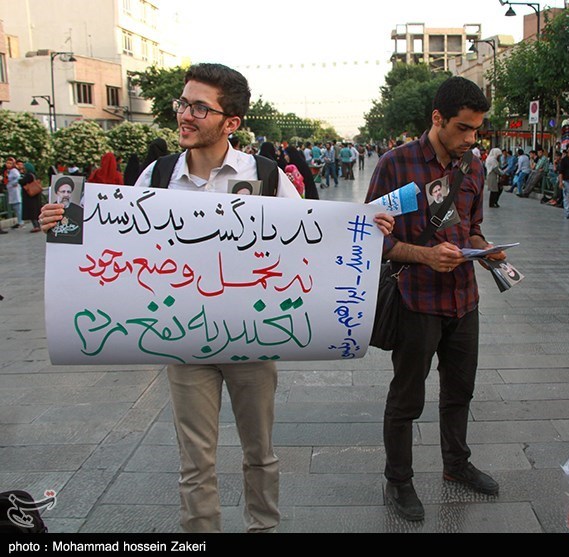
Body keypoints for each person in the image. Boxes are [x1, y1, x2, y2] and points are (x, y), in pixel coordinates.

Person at [39, 62, 392, 534]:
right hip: (181, 341)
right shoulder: (158, 175)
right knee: (195, 460)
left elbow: (312, 234)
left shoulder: (265, 175)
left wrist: (363, 228)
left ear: (231, 123)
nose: (185, 115)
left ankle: (263, 527)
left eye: (199, 107)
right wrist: (63, 223)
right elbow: (112, 236)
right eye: (183, 103)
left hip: (254, 338)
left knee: (260, 453)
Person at [364, 76, 504, 523]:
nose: (471, 139)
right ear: (437, 119)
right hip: (415, 298)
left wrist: (485, 251)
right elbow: (368, 237)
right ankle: (399, 481)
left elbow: (472, 225)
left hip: (464, 300)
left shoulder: (475, 168)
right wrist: (425, 255)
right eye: (463, 128)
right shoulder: (396, 164)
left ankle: (456, 465)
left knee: (460, 389)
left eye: (478, 130)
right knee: (407, 397)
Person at [18, 161, 42, 232]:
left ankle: (36, 226)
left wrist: (20, 179)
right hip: (35, 196)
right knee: (35, 211)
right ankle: (37, 225)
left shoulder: (28, 175)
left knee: (32, 212)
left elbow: (22, 182)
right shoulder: (33, 175)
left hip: (30, 197)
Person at [4, 156, 22, 230]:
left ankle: (20, 222)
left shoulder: (14, 170)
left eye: (10, 163)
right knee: (15, 207)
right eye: (7, 163)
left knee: (18, 207)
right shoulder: (7, 171)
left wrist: (13, 183)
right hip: (11, 191)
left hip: (15, 191)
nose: (8, 164)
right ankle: (19, 221)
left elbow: (18, 178)